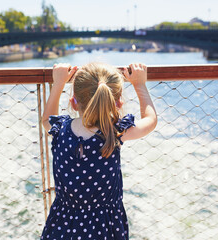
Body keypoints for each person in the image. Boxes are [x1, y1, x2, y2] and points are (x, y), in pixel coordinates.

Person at [41, 62, 157, 239]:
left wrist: (58, 83)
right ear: (118, 103)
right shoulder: (115, 132)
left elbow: (46, 119)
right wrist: (139, 84)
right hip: (104, 229)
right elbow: (151, 120)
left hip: (62, 225)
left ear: (73, 103)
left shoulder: (60, 130)